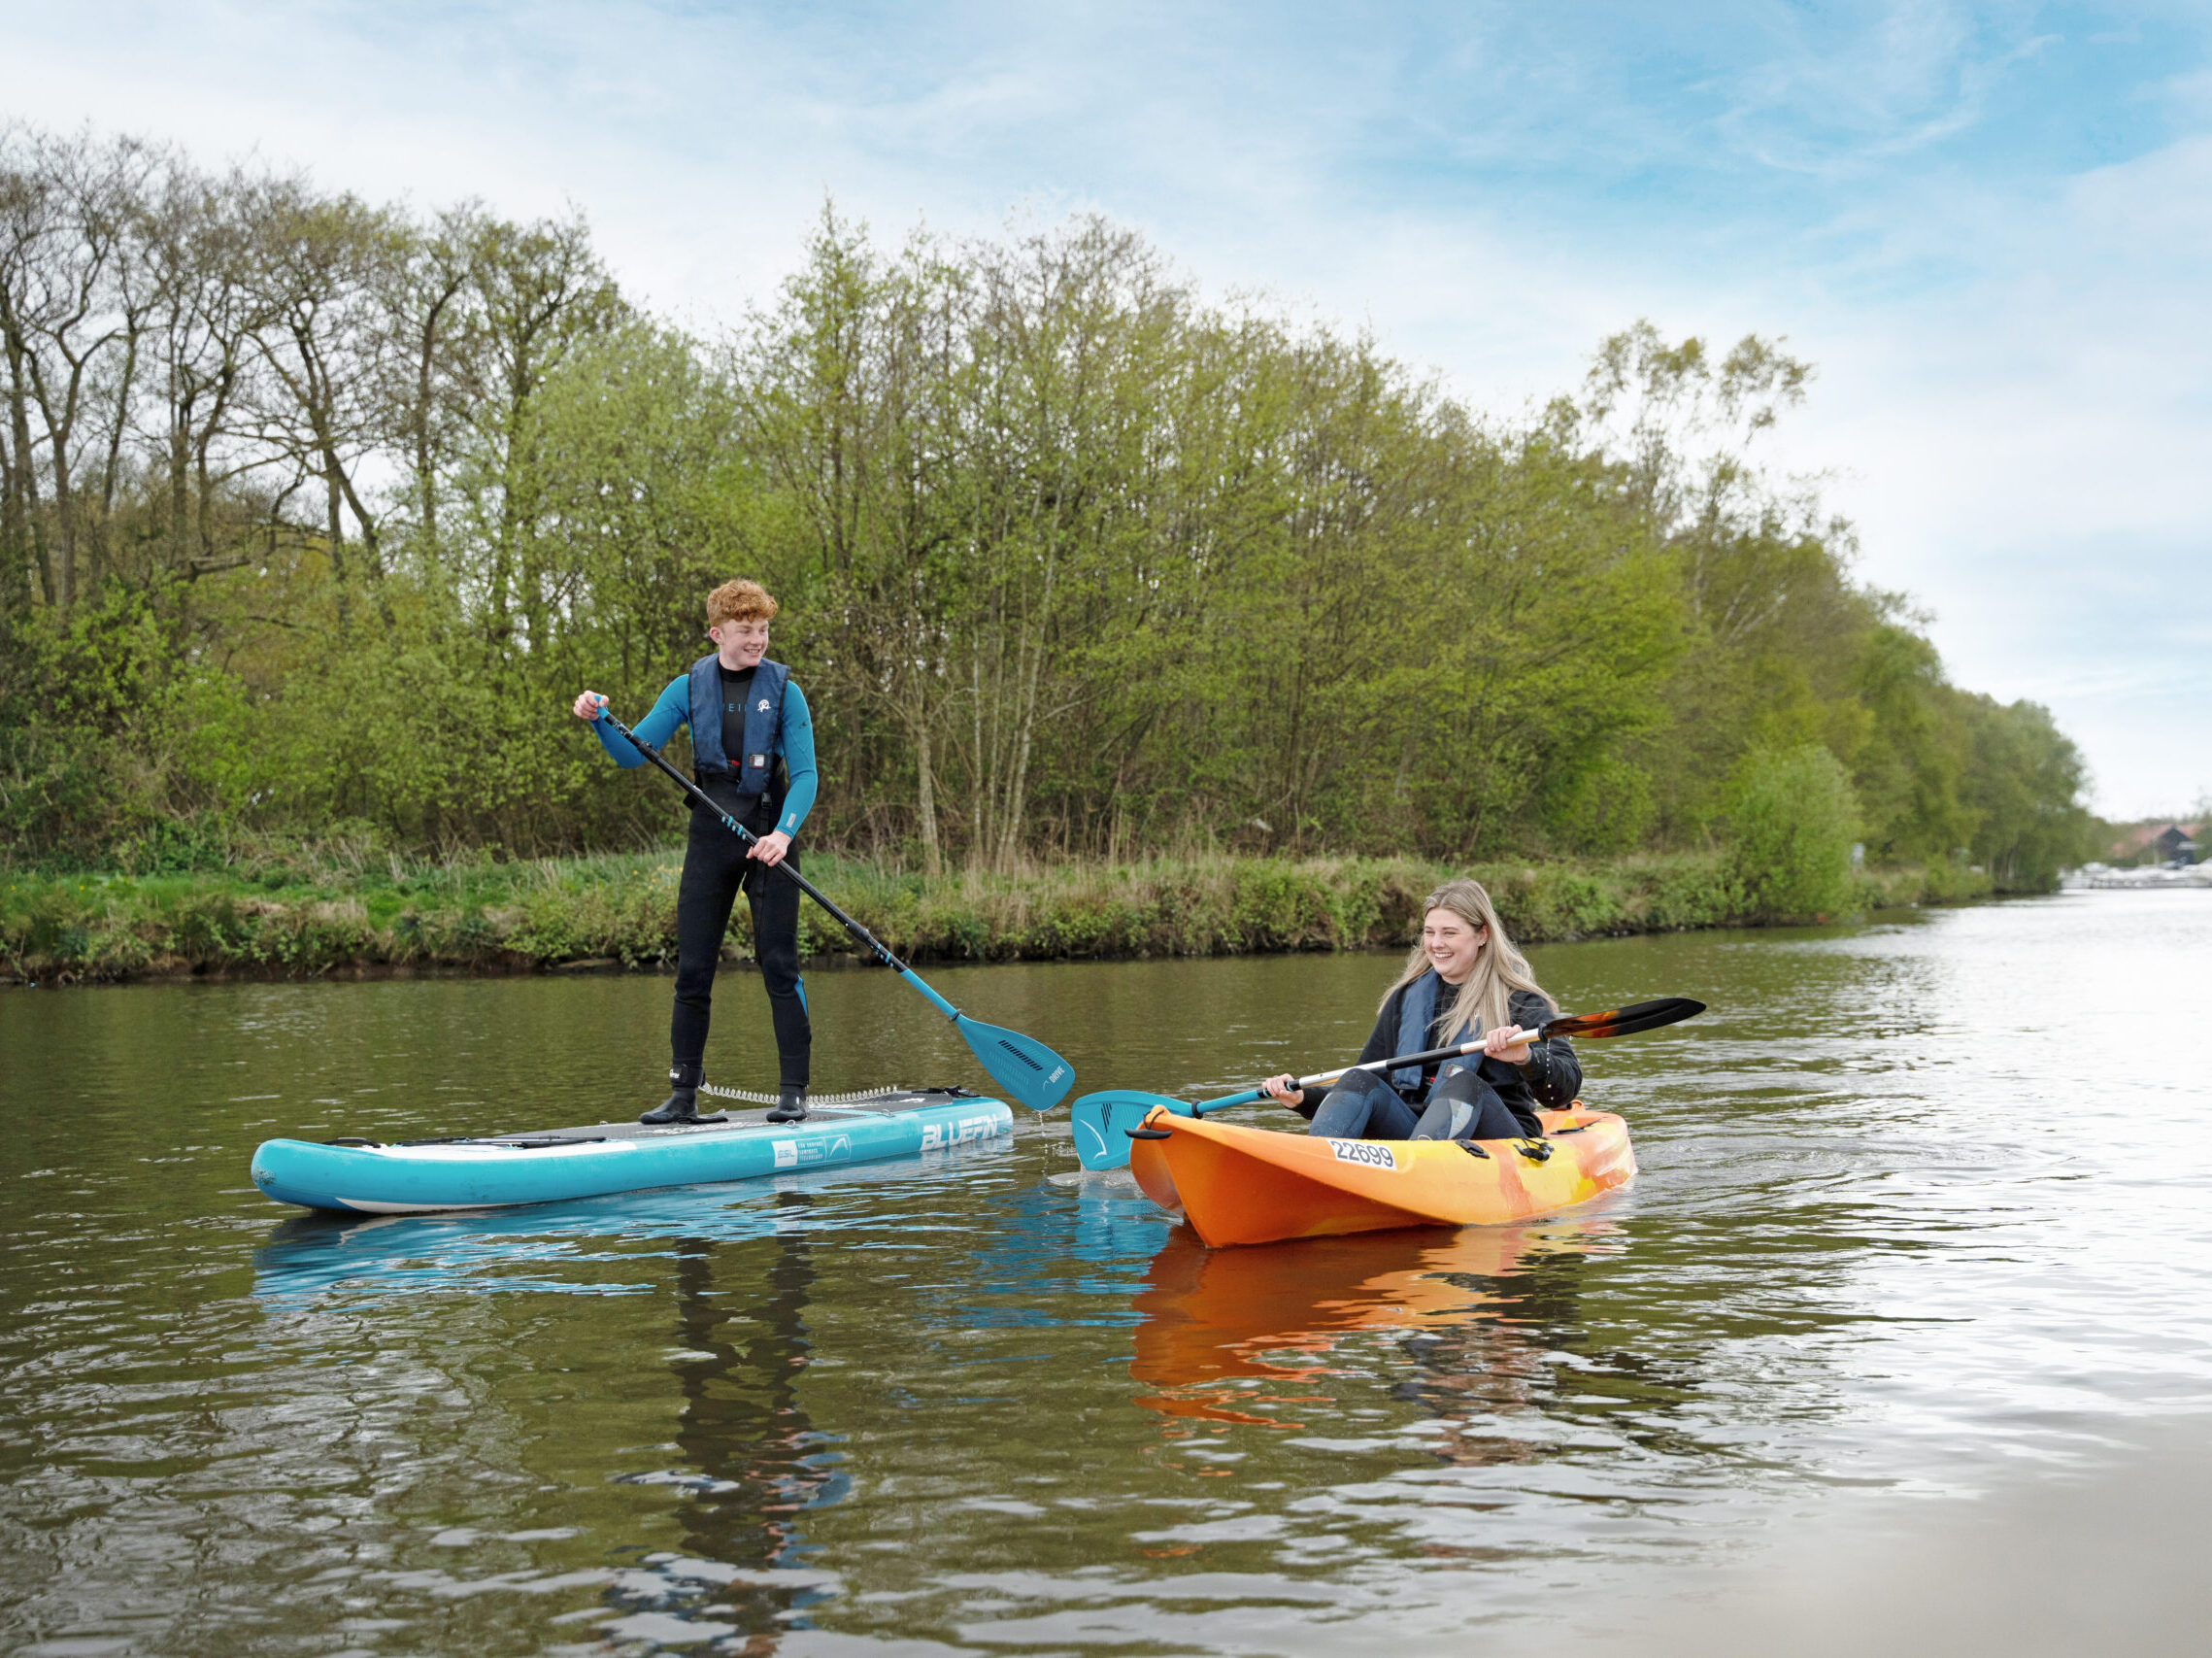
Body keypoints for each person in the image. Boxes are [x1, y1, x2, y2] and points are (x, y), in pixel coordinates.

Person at [571, 579, 819, 1126]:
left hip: (768, 836)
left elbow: (804, 775)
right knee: (693, 972)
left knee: (779, 965)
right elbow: (633, 754)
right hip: (712, 837)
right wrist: (599, 721)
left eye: (763, 630)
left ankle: (793, 1093)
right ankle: (683, 1097)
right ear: (717, 633)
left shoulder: (786, 692)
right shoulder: (686, 687)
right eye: (746, 631)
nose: (758, 640)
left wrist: (783, 833)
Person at [1259, 877, 1581, 1141]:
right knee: (1358, 1078)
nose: (1436, 944)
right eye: (1430, 932)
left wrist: (1526, 1058)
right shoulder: (1405, 999)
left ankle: (1421, 1169)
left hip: (1498, 1141)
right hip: (1415, 1134)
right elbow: (1367, 1088)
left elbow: (1562, 1093)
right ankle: (1320, 1164)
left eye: (1449, 933)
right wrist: (1302, 1100)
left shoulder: (1521, 1001)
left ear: (1482, 934)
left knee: (1464, 1082)